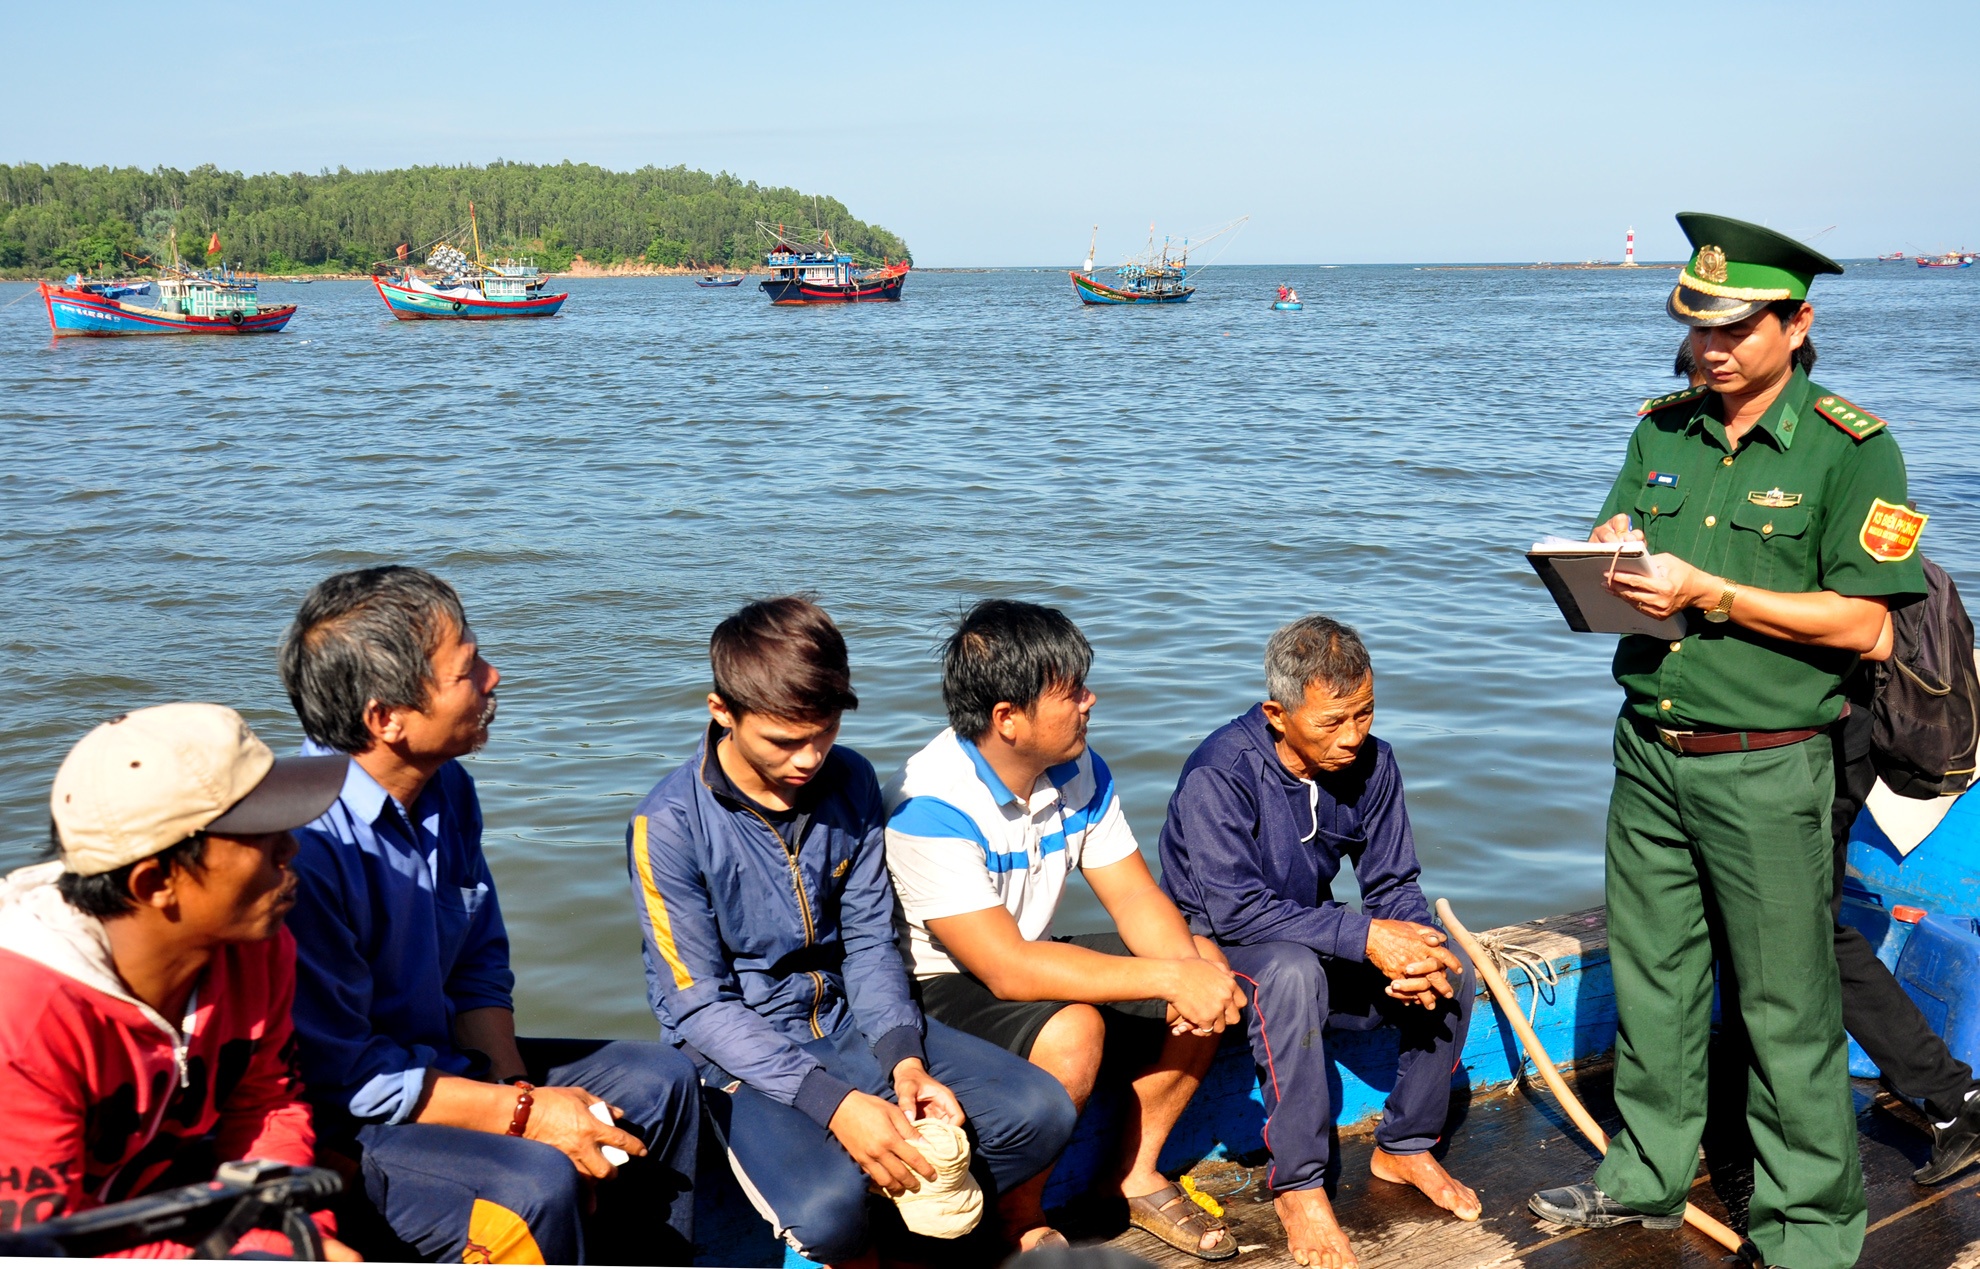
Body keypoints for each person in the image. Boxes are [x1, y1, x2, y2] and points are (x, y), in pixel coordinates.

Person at [1529, 213, 1929, 1269]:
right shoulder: (1662, 429)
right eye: (1696, 326)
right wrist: (1607, 552)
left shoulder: (1853, 445)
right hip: (1651, 749)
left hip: (1767, 758)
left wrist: (1715, 593)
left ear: (1797, 326)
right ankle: (1647, 1179)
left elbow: (1871, 624)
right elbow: (1620, 540)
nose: (1709, 347)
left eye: (1735, 328)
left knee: (1785, 1003)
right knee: (1656, 981)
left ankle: (1808, 1230)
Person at [625, 596, 1077, 1264]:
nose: (810, 757)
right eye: (785, 740)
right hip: (736, 1063)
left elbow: (868, 939)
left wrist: (905, 1058)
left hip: (844, 1021)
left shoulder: (852, 779)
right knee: (827, 1216)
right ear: (722, 710)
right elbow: (699, 1003)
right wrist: (835, 1104)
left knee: (1042, 1113)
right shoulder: (666, 825)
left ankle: (908, 1240)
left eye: (825, 730)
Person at [279, 566, 700, 1265]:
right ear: (387, 718)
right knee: (532, 1183)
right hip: (356, 1120)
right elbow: (348, 1073)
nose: (494, 676)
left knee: (661, 1081)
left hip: (447, 1066)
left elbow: (478, 964)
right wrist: (527, 1121)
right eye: (467, 669)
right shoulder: (307, 847)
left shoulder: (446, 788)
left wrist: (514, 1089)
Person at [1673, 337, 1980, 1185]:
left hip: (1825, 730)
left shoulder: (1845, 456)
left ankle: (1949, 1094)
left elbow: (1862, 613)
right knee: (1767, 919)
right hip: (1743, 732)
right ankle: (1742, 1102)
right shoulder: (1695, 450)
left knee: (1803, 927)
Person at [884, 599, 1247, 1261]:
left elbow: (1134, 893)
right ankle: (1020, 1216)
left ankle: (1134, 1171)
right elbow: (1004, 969)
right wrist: (1170, 977)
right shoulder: (928, 805)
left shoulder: (1078, 768)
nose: (1090, 700)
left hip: (1023, 953)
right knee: (1077, 1026)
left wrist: (1191, 975)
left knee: (1204, 959)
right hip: (938, 984)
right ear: (1008, 719)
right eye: (1072, 691)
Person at [1159, 616, 1477, 1269]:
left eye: (1364, 713)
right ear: (1278, 713)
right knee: (1292, 970)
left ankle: (1407, 1143)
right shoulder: (1220, 772)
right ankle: (1298, 1186)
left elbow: (1393, 885)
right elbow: (1237, 913)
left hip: (1303, 934)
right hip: (1217, 951)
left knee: (1451, 961)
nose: (1353, 736)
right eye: (1332, 722)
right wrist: (1362, 934)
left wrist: (1408, 944)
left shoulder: (1374, 763)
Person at [0, 703, 359, 1259]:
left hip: (175, 1198)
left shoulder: (255, 945)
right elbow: (42, 1242)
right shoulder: (24, 1018)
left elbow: (269, 1102)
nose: (291, 848)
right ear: (155, 882)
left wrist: (280, 1236)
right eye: (260, 834)